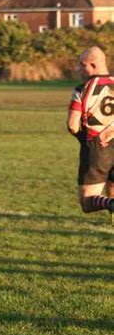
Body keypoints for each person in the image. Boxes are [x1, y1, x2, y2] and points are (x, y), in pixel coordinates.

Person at [66, 46, 114, 217]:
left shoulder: (82, 89)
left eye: (82, 65)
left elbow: (72, 124)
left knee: (87, 201)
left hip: (96, 148)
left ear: (92, 65)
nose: (79, 69)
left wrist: (84, 138)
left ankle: (109, 203)